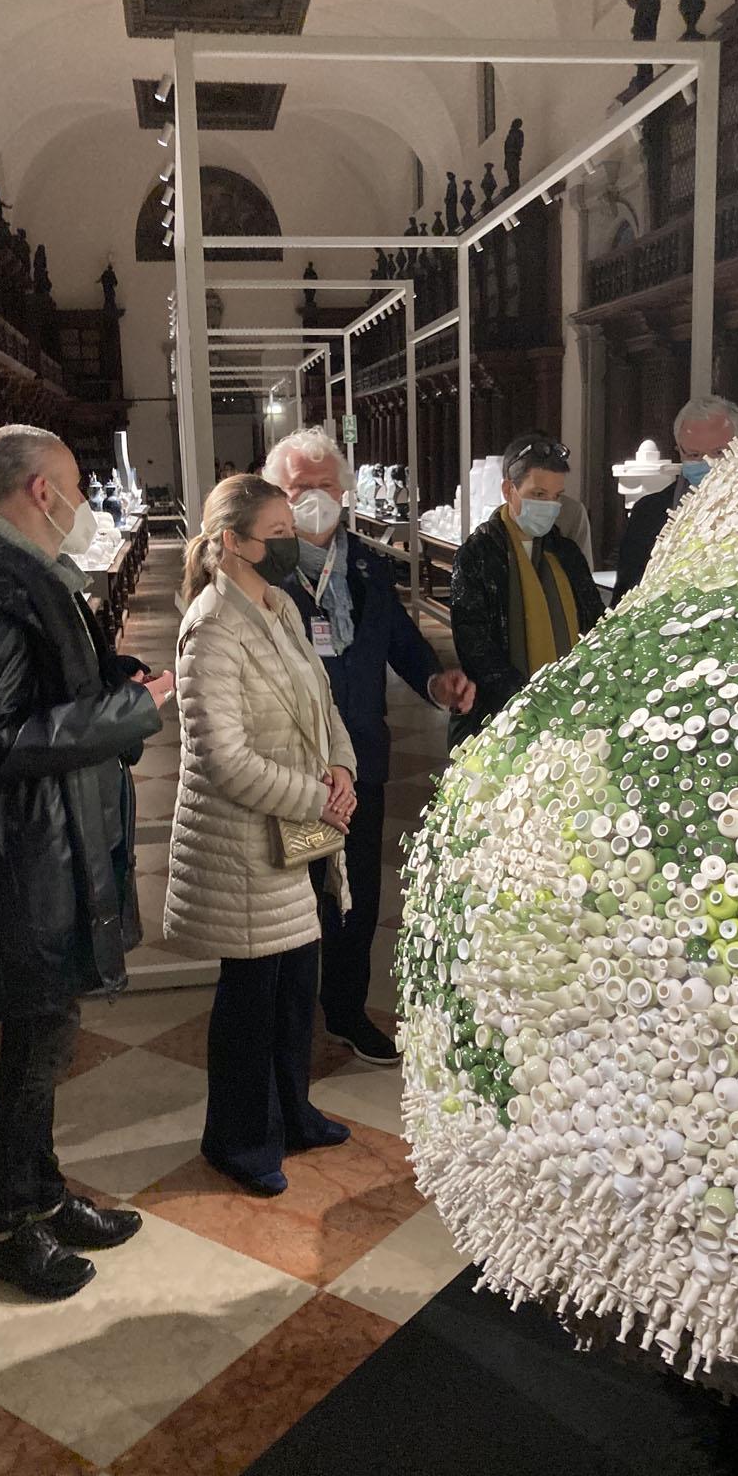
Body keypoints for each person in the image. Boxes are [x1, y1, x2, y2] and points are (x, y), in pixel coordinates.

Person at [0, 425, 173, 1301]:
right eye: (73, 488)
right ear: (37, 492)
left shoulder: (23, 573)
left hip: (53, 845)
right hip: (21, 859)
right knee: (32, 1046)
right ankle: (1, 1227)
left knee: (51, 1035)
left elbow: (43, 695)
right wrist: (124, 717)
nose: (84, 507)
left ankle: (43, 1193)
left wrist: (114, 682)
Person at [165, 475, 358, 1196]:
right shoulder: (211, 626)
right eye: (276, 534)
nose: (292, 544)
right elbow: (224, 757)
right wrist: (319, 798)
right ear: (232, 542)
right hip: (246, 844)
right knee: (251, 996)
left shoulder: (279, 607)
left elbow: (322, 700)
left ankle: (294, 1113)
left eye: (291, 531)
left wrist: (342, 766)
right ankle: (239, 1139)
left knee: (293, 986)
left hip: (299, 829)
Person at [264, 428, 475, 1064]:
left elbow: (401, 641)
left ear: (346, 492)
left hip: (362, 760)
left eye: (326, 488)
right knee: (301, 896)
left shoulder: (365, 564)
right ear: (278, 493)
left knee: (357, 894)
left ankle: (348, 1010)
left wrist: (437, 680)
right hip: (299, 769)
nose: (315, 501)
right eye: (301, 489)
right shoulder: (263, 572)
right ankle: (291, 1023)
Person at [449, 433, 602, 750]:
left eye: (556, 496)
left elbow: (593, 623)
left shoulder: (566, 554)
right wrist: (533, 699)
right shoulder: (478, 555)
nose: (549, 506)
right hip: (501, 717)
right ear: (509, 490)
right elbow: (475, 646)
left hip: (570, 710)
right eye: (538, 494)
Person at [611, 395, 738, 606]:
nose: (707, 463)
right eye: (694, 455)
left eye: (719, 453)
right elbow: (626, 597)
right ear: (679, 451)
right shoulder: (649, 512)